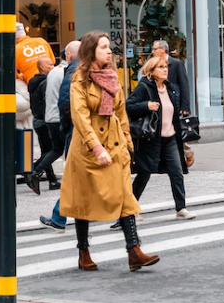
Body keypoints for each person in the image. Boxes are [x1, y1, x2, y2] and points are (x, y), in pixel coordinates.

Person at [59, 31, 160, 273]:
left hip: (115, 145)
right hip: (87, 148)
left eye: (109, 47)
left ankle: (133, 251)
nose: (108, 51)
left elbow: (121, 113)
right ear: (91, 50)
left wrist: (128, 144)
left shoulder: (112, 77)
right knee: (82, 199)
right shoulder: (79, 79)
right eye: (103, 47)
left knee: (125, 196)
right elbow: (80, 118)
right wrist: (96, 147)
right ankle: (83, 251)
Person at [124, 56, 195, 221]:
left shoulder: (170, 88)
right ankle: (131, 209)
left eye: (166, 66)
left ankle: (181, 208)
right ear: (151, 71)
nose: (165, 69)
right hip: (151, 139)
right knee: (144, 174)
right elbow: (128, 106)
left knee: (177, 172)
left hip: (169, 138)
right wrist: (145, 106)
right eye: (161, 67)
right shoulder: (144, 87)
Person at [38, 43, 81, 233]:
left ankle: (126, 213)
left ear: (69, 54)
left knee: (76, 178)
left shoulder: (68, 73)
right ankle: (58, 217)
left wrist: (67, 130)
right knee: (79, 179)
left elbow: (65, 105)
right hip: (81, 130)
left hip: (74, 129)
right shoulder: (79, 72)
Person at [28, 58, 55, 192]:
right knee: (53, 150)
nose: (53, 66)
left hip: (38, 120)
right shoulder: (45, 82)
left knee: (47, 150)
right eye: (50, 64)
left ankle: (52, 179)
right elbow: (48, 102)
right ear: (43, 67)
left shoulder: (34, 82)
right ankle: (32, 170)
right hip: (45, 120)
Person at [151, 40, 191, 116]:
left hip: (174, 102)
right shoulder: (153, 65)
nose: (153, 52)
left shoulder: (176, 63)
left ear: (163, 50)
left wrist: (185, 107)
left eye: (155, 49)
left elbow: (184, 85)